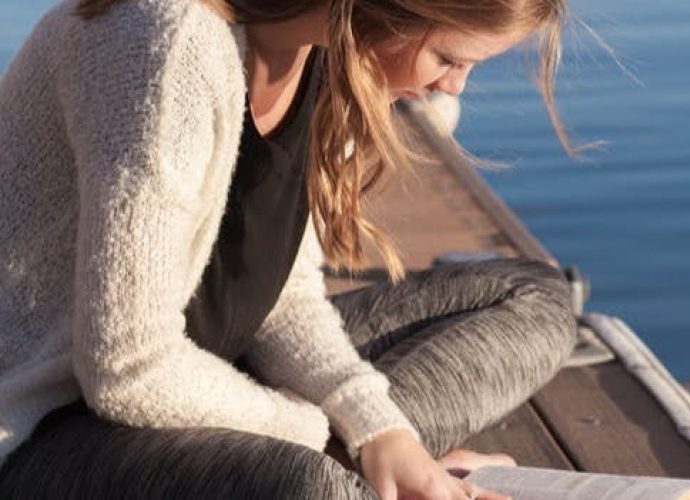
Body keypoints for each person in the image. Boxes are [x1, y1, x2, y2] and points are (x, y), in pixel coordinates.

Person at [0, 0, 579, 497]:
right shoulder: (165, 43)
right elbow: (127, 368)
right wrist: (314, 431)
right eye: (449, 59)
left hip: (216, 374)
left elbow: (282, 297)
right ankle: (355, 472)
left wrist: (381, 430)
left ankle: (379, 468)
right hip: (50, 426)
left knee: (534, 300)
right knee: (310, 487)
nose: (452, 87)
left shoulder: (330, 55)